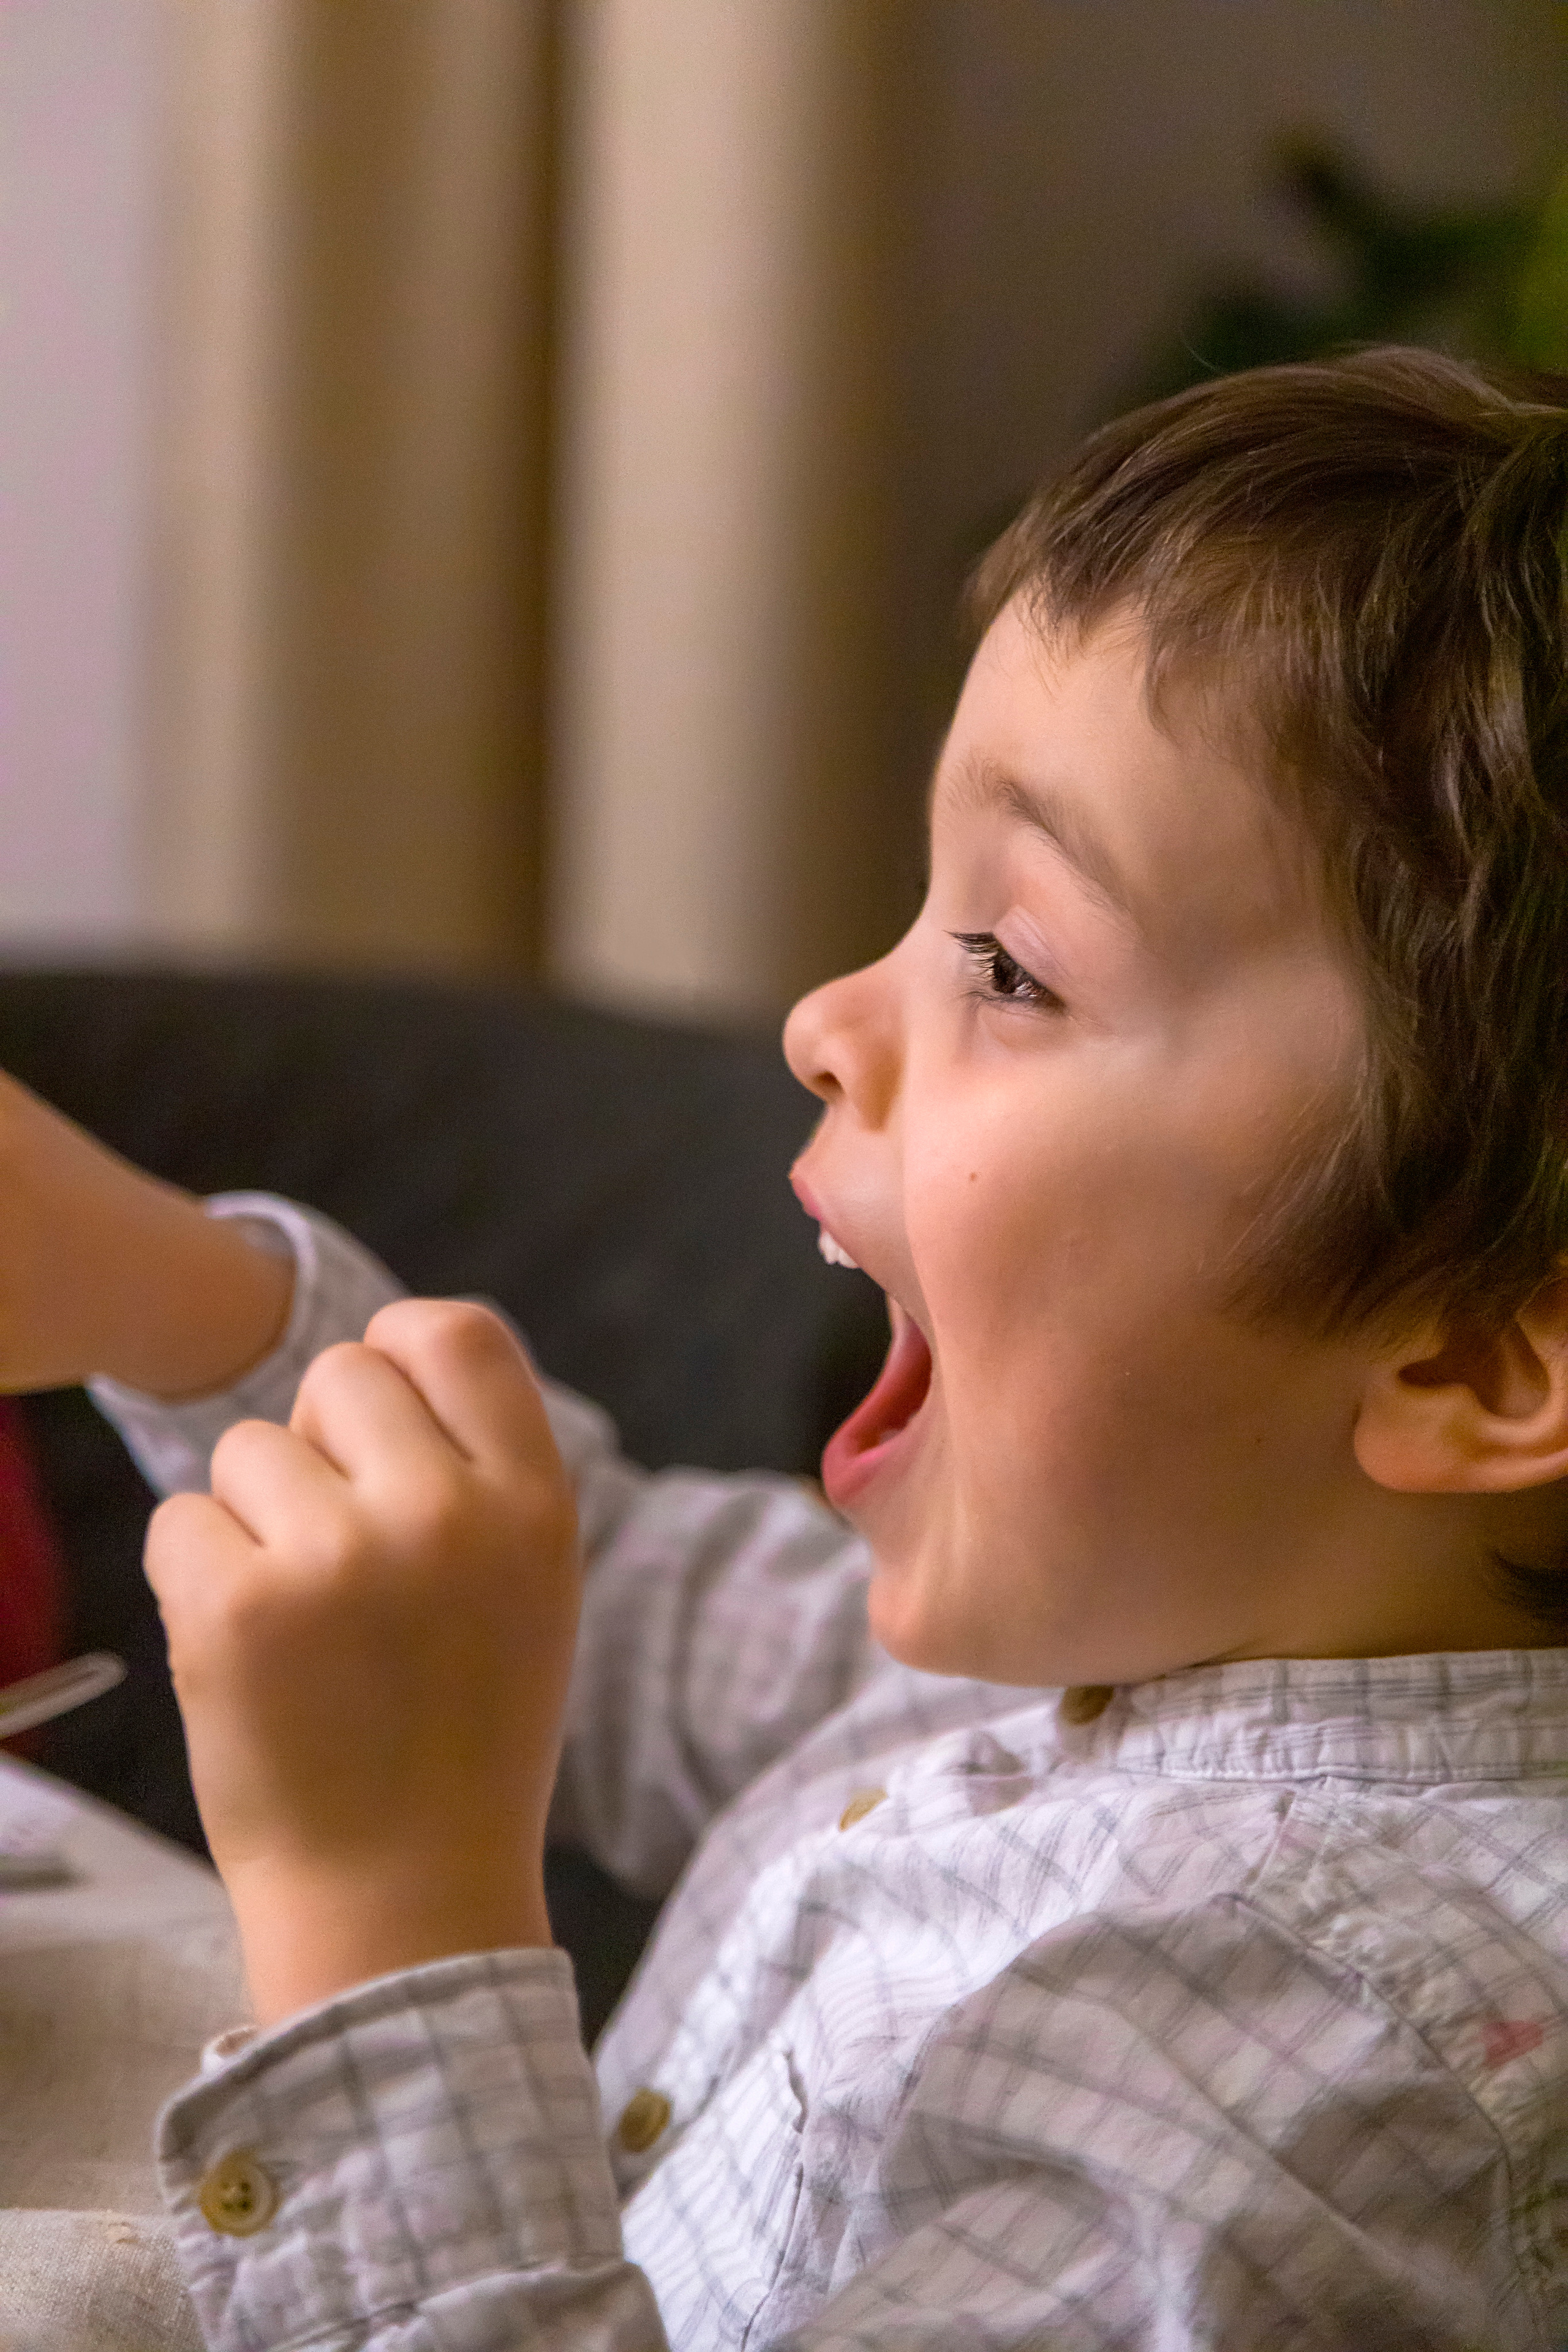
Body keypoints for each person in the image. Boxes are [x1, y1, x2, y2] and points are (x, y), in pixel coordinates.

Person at [5, 345, 1568, 2350]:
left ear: (1477, 1359)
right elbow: (622, 1619)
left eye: (1009, 965)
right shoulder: (1126, 1619)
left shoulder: (1302, 2103)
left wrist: (381, 1920)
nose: (828, 1015)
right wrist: (159, 1289)